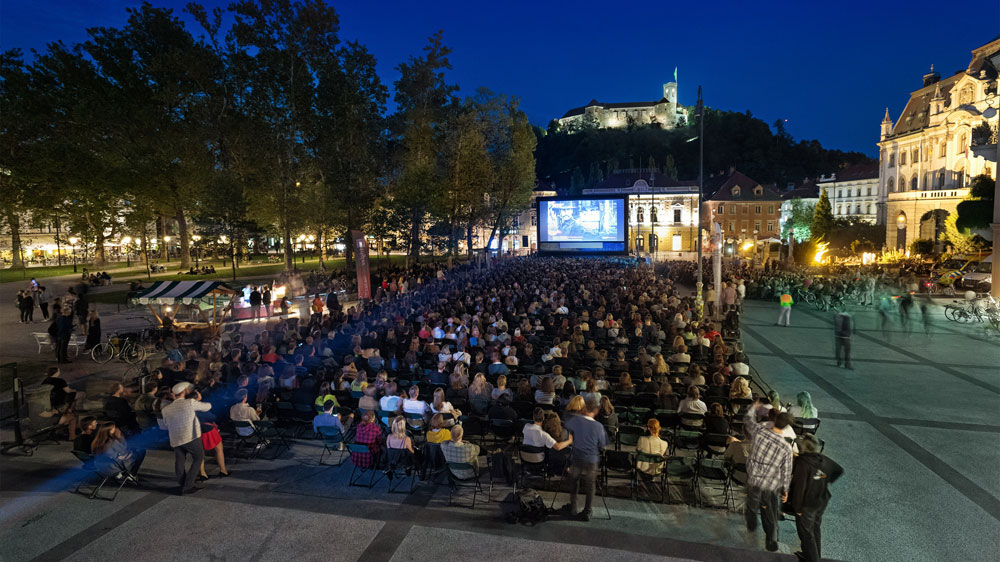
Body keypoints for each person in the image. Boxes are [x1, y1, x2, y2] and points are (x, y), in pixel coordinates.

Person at [743, 398, 795, 552]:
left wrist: (754, 407)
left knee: (751, 504)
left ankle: (751, 525)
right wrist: (785, 490)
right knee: (770, 512)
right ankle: (771, 540)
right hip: (771, 483)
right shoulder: (786, 447)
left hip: (754, 478)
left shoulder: (760, 431)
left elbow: (747, 420)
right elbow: (786, 471)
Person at [789, 434, 844, 562]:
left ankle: (813, 559)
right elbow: (838, 470)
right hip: (821, 499)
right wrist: (823, 481)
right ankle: (814, 555)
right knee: (815, 528)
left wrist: (797, 508)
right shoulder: (822, 459)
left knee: (806, 534)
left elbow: (799, 487)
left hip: (807, 504)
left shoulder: (802, 463)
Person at [559, 398, 607, 521]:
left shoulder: (576, 420)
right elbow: (603, 443)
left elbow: (566, 424)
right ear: (595, 411)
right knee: (590, 485)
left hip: (577, 457)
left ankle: (573, 508)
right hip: (591, 459)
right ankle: (587, 511)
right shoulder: (598, 426)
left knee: (574, 482)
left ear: (584, 409)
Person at [161, 382, 211, 495]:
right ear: (183, 392)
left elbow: (165, 425)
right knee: (198, 458)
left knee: (179, 460)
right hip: (191, 436)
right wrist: (198, 398)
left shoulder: (166, 409)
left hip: (175, 438)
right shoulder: (190, 403)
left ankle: (182, 482)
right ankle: (188, 485)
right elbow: (208, 407)